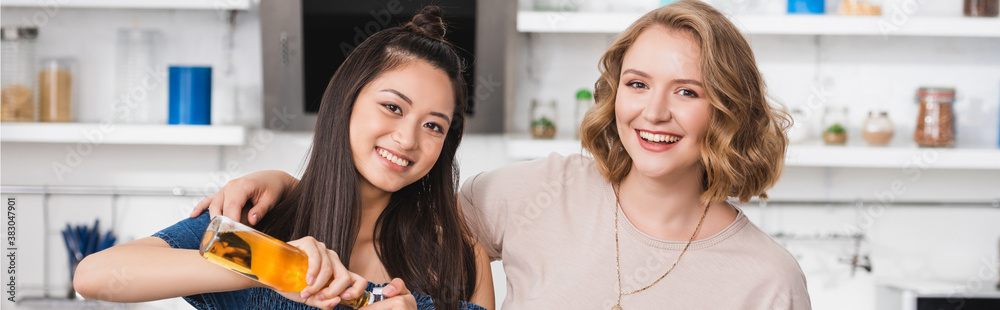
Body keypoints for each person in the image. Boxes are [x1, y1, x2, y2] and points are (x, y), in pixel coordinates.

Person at [194, 1, 812, 309]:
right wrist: (284, 183)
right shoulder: (531, 192)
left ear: (728, 109)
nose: (653, 113)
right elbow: (392, 205)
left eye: (687, 92)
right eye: (637, 83)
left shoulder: (768, 280)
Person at [73, 6, 494, 310]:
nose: (407, 138)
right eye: (393, 107)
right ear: (345, 103)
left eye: (434, 126)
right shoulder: (262, 221)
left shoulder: (458, 253)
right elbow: (94, 275)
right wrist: (274, 267)